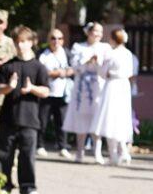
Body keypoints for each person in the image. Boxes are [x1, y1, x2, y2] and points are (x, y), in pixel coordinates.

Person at [0, 26, 51, 194]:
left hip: (30, 119)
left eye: (24, 41)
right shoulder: (8, 66)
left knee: (27, 156)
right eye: (17, 41)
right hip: (8, 118)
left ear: (31, 42)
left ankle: (28, 187)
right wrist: (9, 87)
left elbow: (46, 91)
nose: (20, 45)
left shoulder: (39, 67)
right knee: (5, 155)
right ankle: (4, 185)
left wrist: (32, 88)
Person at [63, 22, 108, 163]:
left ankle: (97, 152)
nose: (98, 34)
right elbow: (74, 67)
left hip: (98, 87)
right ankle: (80, 151)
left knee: (97, 118)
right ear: (89, 32)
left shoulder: (105, 48)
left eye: (100, 32)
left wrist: (98, 63)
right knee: (81, 118)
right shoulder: (79, 47)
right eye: (95, 31)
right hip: (82, 87)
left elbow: (107, 66)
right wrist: (87, 61)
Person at [92, 29, 135, 165]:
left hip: (112, 86)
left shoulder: (111, 54)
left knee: (109, 118)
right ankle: (124, 152)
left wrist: (97, 65)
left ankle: (113, 155)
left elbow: (103, 73)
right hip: (124, 86)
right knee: (121, 117)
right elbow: (130, 72)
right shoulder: (128, 54)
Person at [37, 29, 73, 158]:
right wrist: (55, 73)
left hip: (63, 93)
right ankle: (40, 145)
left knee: (62, 121)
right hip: (46, 92)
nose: (56, 41)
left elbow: (73, 68)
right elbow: (39, 71)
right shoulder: (43, 54)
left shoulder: (67, 53)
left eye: (59, 38)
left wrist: (67, 72)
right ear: (48, 40)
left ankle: (63, 146)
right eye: (53, 38)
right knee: (42, 120)